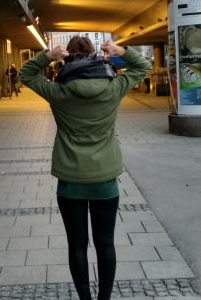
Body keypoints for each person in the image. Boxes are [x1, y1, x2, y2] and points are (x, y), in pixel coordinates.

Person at [19, 36, 149, 300]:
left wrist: (48, 56)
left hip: (70, 180)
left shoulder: (58, 92)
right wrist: (119, 50)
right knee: (105, 243)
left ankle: (85, 299)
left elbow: (26, 74)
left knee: (77, 245)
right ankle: (104, 298)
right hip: (105, 179)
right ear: (93, 55)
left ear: (66, 59)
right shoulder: (114, 87)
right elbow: (142, 67)